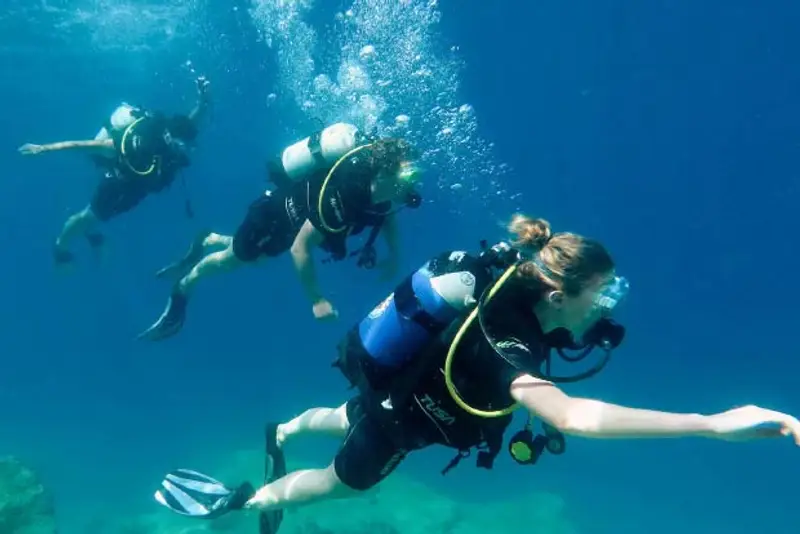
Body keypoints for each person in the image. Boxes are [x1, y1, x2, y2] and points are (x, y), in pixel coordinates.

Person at [151, 214, 800, 532]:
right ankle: (242, 501)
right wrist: (711, 424)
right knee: (340, 485)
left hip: (396, 384)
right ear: (557, 293)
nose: (606, 306)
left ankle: (285, 429)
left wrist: (589, 322)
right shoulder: (506, 341)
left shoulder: (515, 277)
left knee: (350, 413)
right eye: (600, 295)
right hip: (405, 419)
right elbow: (576, 416)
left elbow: (558, 327)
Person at [138, 133, 422, 341]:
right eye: (407, 177)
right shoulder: (345, 196)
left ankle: (209, 239)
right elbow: (300, 249)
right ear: (383, 172)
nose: (410, 187)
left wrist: (395, 255)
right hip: (270, 218)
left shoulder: (380, 196)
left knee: (257, 258)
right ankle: (183, 287)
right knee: (232, 260)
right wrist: (317, 300)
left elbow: (386, 218)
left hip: (291, 226)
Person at [17, 76, 211, 264]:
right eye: (183, 146)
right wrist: (44, 148)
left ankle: (91, 231)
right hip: (119, 176)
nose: (188, 150)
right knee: (89, 215)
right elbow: (86, 145)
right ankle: (60, 247)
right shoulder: (138, 145)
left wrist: (202, 101)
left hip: (138, 185)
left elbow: (192, 121)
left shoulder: (174, 141)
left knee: (102, 215)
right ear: (170, 141)